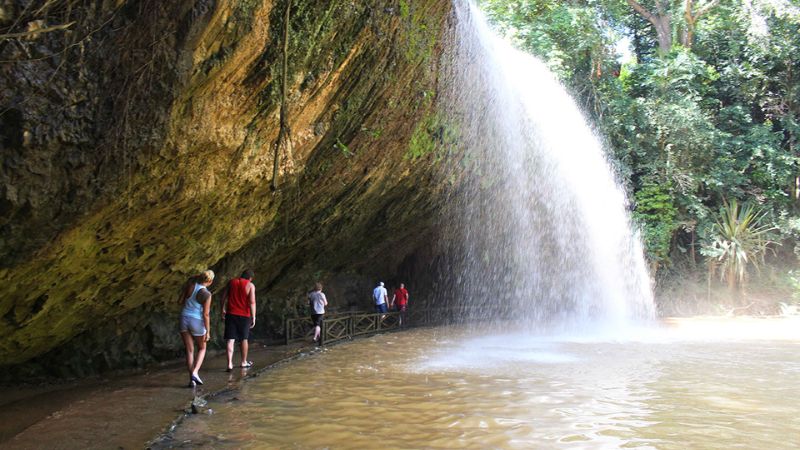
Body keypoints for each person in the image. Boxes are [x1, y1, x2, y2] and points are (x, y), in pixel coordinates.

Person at [179, 270, 214, 387]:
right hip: (196, 320)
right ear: (210, 281)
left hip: (184, 318)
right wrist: (208, 331)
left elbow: (180, 301)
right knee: (202, 348)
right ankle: (195, 372)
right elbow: (206, 314)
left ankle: (192, 380)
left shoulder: (190, 286)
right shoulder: (207, 294)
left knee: (189, 350)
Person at [222, 269, 256, 371]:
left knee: (230, 339)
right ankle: (243, 362)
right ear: (250, 278)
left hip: (231, 313)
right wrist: (254, 316)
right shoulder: (250, 285)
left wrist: (222, 309)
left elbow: (223, 297)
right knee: (243, 339)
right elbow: (252, 302)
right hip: (244, 316)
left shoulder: (231, 282)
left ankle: (229, 364)